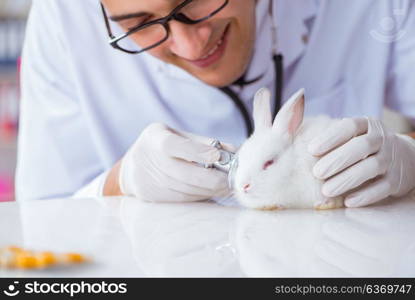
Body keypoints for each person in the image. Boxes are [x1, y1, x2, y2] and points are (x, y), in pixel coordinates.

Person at [16, 0, 415, 208]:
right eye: (138, 22)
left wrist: (409, 156)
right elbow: (42, 223)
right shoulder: (63, 17)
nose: (192, 45)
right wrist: (120, 183)